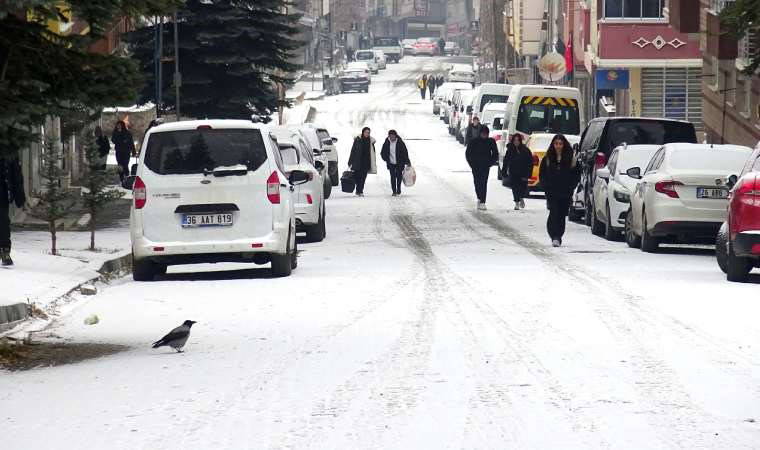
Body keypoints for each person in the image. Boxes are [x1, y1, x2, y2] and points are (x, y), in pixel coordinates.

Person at [539, 134, 581, 247]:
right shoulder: (548, 158)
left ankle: (558, 235)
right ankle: (554, 235)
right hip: (552, 192)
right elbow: (542, 174)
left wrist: (571, 186)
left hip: (565, 192)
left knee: (561, 214)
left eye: (560, 144)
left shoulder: (571, 159)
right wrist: (546, 186)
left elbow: (576, 174)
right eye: (556, 144)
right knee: (554, 212)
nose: (558, 146)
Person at [0, 153, 26, 266]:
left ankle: (5, 252)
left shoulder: (9, 151)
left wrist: (20, 197)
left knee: (3, 224)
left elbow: (16, 175)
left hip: (2, 195)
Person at [465, 125, 498, 210]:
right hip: (475, 166)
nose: (484, 135)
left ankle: (483, 201)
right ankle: (479, 198)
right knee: (477, 183)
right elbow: (468, 153)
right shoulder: (473, 141)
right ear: (480, 133)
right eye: (483, 133)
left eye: (486, 134)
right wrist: (472, 164)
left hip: (485, 166)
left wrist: (490, 163)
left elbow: (495, 153)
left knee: (483, 183)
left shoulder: (491, 141)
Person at [503, 133, 534, 210]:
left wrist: (529, 173)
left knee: (522, 187)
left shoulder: (526, 150)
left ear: (520, 141)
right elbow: (506, 161)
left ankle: (521, 197)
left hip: (523, 173)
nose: (516, 142)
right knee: (515, 188)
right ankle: (516, 202)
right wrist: (504, 170)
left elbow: (530, 162)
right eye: (515, 140)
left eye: (518, 140)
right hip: (513, 172)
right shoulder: (510, 150)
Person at [380, 130, 411, 197]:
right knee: (393, 177)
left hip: (400, 162)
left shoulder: (400, 142)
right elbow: (382, 152)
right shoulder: (386, 142)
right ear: (389, 136)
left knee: (399, 176)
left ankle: (398, 189)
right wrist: (386, 159)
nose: (392, 137)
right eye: (390, 136)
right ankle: (394, 191)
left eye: (393, 136)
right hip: (391, 163)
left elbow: (405, 153)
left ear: (395, 136)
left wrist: (407, 161)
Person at [348, 127, 376, 196]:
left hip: (366, 162)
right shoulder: (358, 140)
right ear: (363, 132)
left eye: (368, 133)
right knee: (357, 177)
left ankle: (360, 191)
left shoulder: (371, 141)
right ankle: (358, 190)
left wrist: (373, 162)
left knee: (363, 177)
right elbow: (353, 150)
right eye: (366, 132)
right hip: (358, 162)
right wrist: (350, 161)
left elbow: (373, 152)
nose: (367, 134)